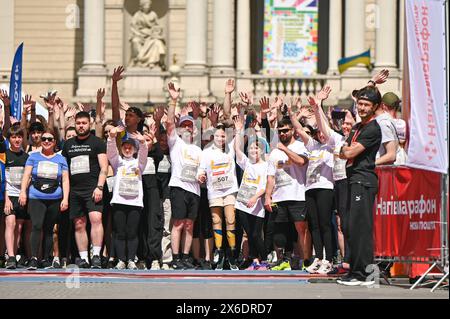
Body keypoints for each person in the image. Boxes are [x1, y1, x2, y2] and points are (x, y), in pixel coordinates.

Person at [337, 86, 382, 286]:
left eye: (366, 105)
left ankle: (364, 273)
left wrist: (346, 150)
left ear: (375, 107)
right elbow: (342, 150)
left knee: (360, 227)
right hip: (352, 179)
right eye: (360, 104)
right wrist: (346, 149)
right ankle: (355, 270)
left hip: (364, 180)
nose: (362, 108)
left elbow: (348, 153)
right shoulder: (356, 128)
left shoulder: (373, 128)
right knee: (349, 226)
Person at [62, 111, 108, 268]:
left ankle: (96, 255)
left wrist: (99, 187)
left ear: (90, 124)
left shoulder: (97, 142)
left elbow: (104, 168)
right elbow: (65, 172)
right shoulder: (68, 144)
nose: (81, 126)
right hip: (75, 192)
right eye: (78, 123)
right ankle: (84, 258)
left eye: (84, 123)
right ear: (75, 124)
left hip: (93, 189)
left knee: (96, 219)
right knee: (79, 224)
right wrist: (66, 196)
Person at [19, 129, 69, 270]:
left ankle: (46, 259)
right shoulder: (33, 157)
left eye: (50, 139)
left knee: (49, 229)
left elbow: (65, 180)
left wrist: (65, 198)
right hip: (36, 197)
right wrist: (23, 192)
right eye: (44, 139)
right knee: (36, 226)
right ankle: (34, 258)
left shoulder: (61, 159)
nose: (46, 141)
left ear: (54, 142)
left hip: (55, 198)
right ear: (41, 141)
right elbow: (26, 175)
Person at [264, 117, 310, 271]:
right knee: (280, 231)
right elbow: (271, 176)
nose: (282, 134)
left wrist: (285, 149)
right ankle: (283, 260)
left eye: (285, 131)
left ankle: (306, 260)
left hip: (297, 194)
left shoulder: (300, 146)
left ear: (292, 131)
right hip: (279, 196)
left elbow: (301, 162)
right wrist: (267, 197)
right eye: (280, 131)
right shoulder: (274, 152)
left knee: (301, 229)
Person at [166, 82, 202, 270]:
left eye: (190, 126)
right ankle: (176, 257)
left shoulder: (197, 149)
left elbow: (202, 169)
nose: (187, 128)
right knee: (178, 223)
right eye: (184, 126)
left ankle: (186, 257)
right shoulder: (176, 143)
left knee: (190, 225)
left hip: (194, 190)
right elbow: (170, 123)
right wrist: (173, 100)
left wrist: (202, 176)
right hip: (179, 187)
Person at [107, 126, 148, 270]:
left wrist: (143, 143)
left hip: (135, 203)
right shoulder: (118, 162)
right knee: (119, 232)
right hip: (119, 201)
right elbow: (111, 153)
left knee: (132, 233)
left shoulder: (139, 164)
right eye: (125, 147)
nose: (128, 149)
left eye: (130, 147)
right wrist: (111, 138)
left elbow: (144, 155)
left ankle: (131, 259)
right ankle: (121, 260)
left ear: (135, 149)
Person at [233, 114, 269, 271]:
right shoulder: (247, 163)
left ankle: (265, 259)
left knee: (255, 235)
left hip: (256, 205)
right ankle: (255, 261)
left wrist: (254, 198)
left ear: (261, 151)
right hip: (242, 204)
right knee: (248, 233)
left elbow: (264, 186)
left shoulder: (265, 166)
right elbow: (236, 149)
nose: (254, 150)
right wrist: (238, 131)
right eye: (251, 148)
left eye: (256, 148)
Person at [3, 126, 31, 269]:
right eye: (14, 137)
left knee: (19, 228)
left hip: (22, 196)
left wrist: (24, 192)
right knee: (10, 223)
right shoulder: (4, 155)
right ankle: (11, 257)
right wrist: (6, 198)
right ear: (9, 139)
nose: (17, 140)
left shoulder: (27, 157)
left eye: (19, 137)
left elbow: (29, 178)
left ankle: (14, 254)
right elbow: (2, 179)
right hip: (9, 196)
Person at [129, 0, 166, 68]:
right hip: (139, 34)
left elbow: (158, 26)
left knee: (157, 42)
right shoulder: (137, 15)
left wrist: (155, 31)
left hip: (151, 35)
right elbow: (133, 27)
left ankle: (152, 62)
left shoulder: (153, 14)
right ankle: (138, 60)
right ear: (142, 6)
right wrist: (138, 34)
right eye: (146, 4)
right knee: (135, 41)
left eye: (148, 4)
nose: (147, 6)